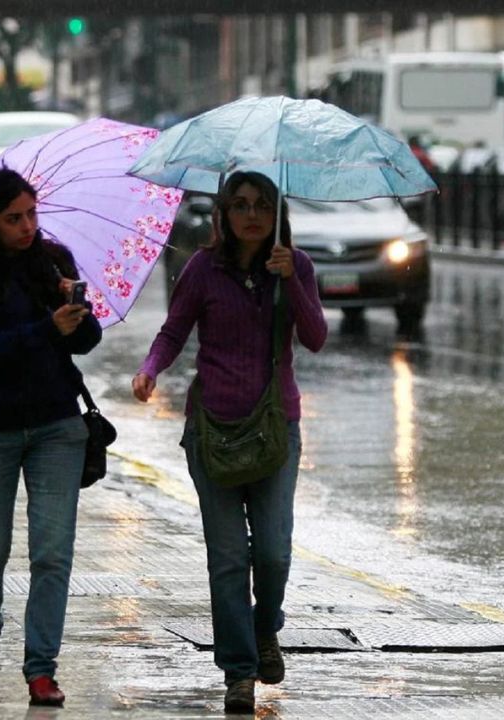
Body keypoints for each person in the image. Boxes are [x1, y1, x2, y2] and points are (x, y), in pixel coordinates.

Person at [131, 171, 328, 714]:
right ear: (223, 213)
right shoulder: (202, 269)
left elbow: (315, 338)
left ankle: (267, 629)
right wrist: (150, 370)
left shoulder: (296, 266)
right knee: (225, 558)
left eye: (262, 205)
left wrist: (291, 283)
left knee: (272, 551)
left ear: (277, 213)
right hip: (212, 432)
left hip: (274, 430)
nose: (251, 215)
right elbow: (174, 330)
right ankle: (238, 673)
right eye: (239, 205)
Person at [0, 168, 100, 707]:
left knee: (52, 552)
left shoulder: (52, 262)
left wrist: (76, 309)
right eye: (14, 218)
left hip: (58, 426)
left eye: (32, 214)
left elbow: (87, 341)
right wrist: (45, 329)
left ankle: (41, 668)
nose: (27, 226)